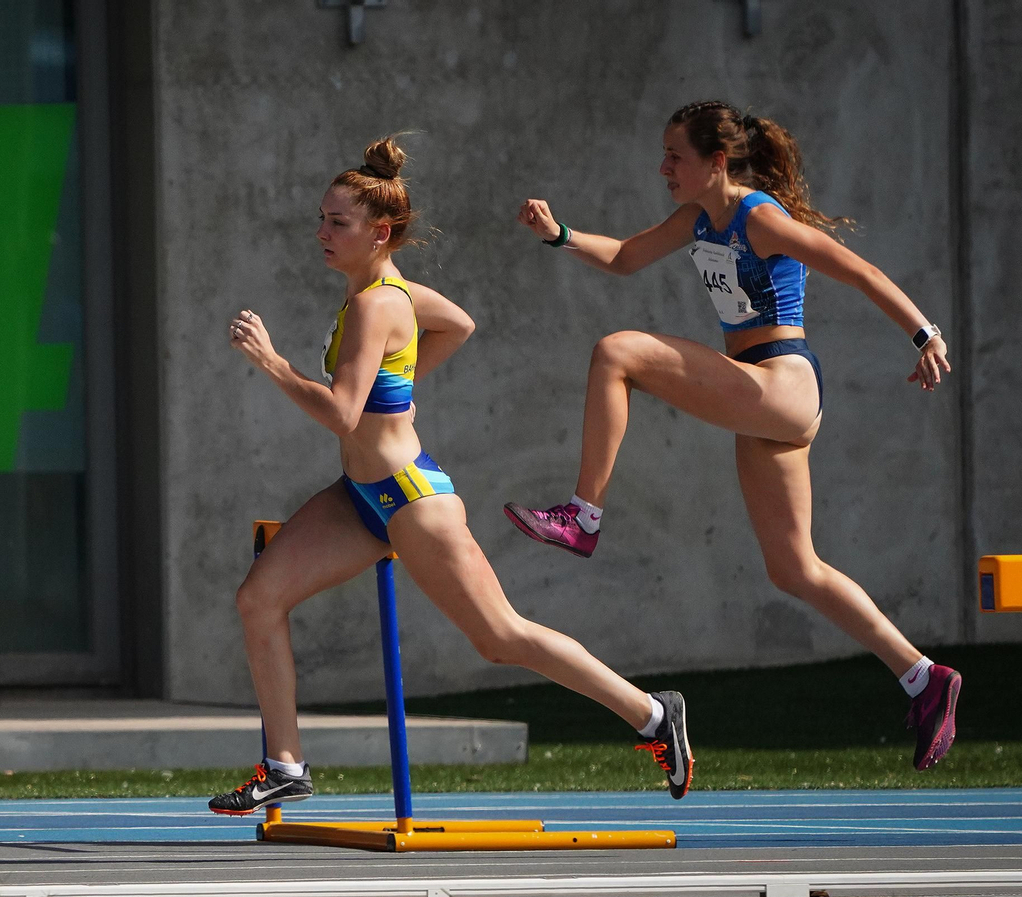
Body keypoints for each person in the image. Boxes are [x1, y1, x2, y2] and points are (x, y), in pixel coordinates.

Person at [209, 137, 694, 816]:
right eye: (320, 218)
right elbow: (456, 324)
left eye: (336, 223)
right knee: (259, 599)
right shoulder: (388, 294)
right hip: (360, 499)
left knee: (500, 637)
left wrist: (272, 362)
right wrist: (401, 390)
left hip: (413, 502)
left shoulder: (379, 304)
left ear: (379, 232)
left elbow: (343, 414)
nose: (321, 233)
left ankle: (650, 712)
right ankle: (287, 765)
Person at [504, 100, 961, 770]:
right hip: (759, 393)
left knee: (617, 352)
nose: (663, 167)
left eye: (674, 157)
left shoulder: (760, 217)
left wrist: (924, 334)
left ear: (716, 163)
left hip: (781, 382)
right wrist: (559, 233)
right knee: (794, 568)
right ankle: (924, 678)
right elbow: (628, 257)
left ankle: (583, 515)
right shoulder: (697, 218)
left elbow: (853, 267)